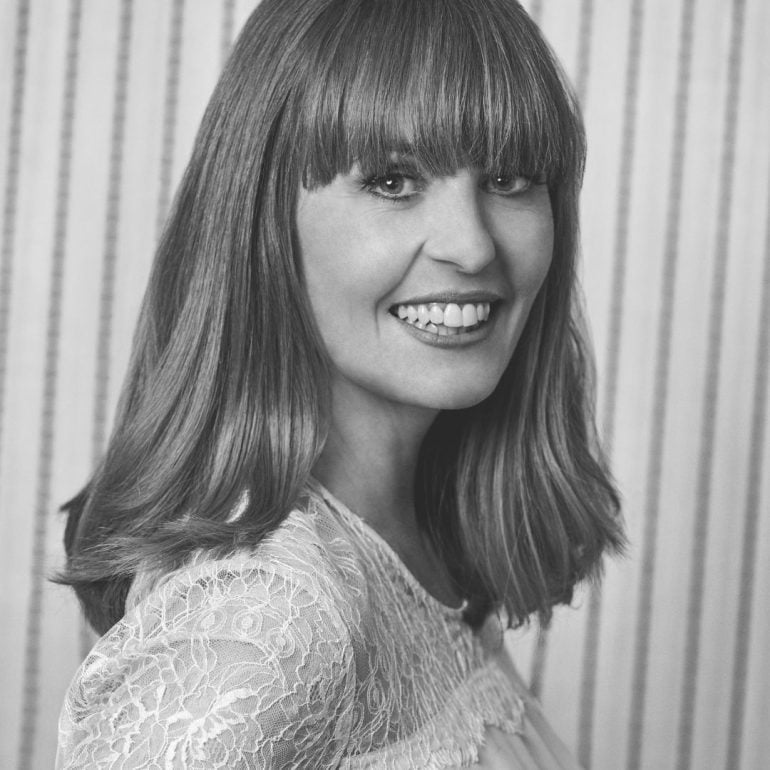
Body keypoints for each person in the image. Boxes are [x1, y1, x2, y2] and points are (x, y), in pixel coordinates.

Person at [56, 0, 625, 766]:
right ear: (261, 221)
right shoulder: (268, 617)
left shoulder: (412, 537)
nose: (472, 244)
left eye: (511, 177)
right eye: (393, 181)